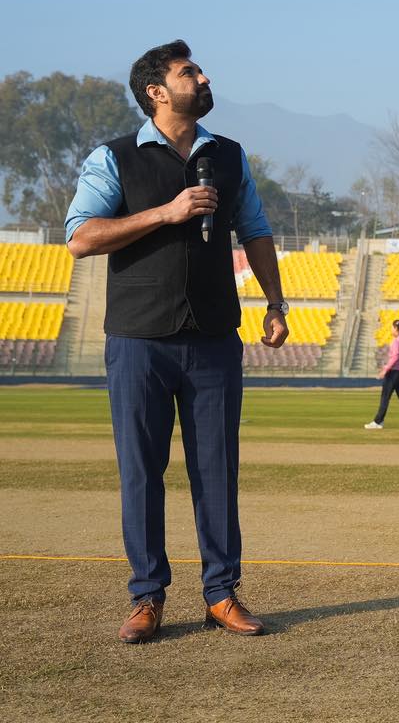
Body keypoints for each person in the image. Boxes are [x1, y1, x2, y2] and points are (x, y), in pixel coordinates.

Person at [65, 40, 288, 643]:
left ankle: (221, 593)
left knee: (217, 470)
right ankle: (146, 597)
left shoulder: (229, 155)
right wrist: (166, 213)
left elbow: (258, 232)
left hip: (215, 337)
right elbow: (82, 237)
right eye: (189, 72)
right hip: (139, 340)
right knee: (142, 470)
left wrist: (275, 302)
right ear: (156, 93)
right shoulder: (112, 158)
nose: (204, 76)